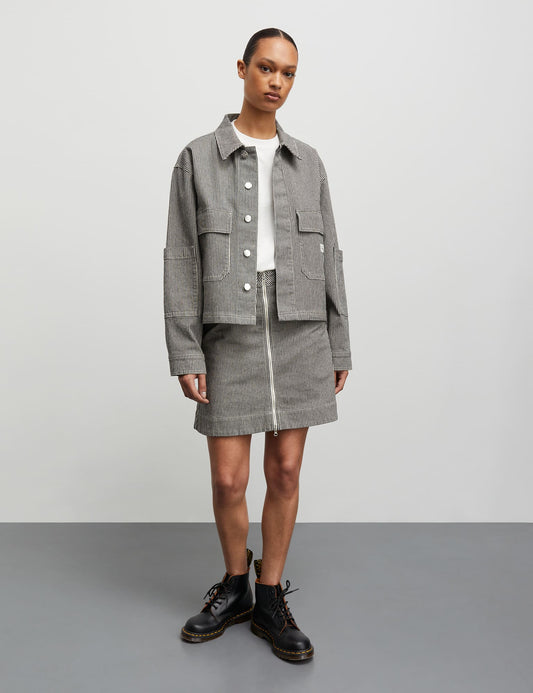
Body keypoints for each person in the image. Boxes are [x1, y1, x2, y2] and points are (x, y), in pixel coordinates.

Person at [163, 27, 352, 662]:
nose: (277, 82)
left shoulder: (309, 162)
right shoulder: (197, 158)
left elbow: (331, 256)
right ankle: (235, 585)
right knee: (228, 479)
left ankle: (270, 595)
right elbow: (181, 257)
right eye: (266, 68)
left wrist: (340, 342)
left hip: (301, 327)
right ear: (242, 68)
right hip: (230, 326)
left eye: (289, 73)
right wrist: (185, 350)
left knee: (286, 470)